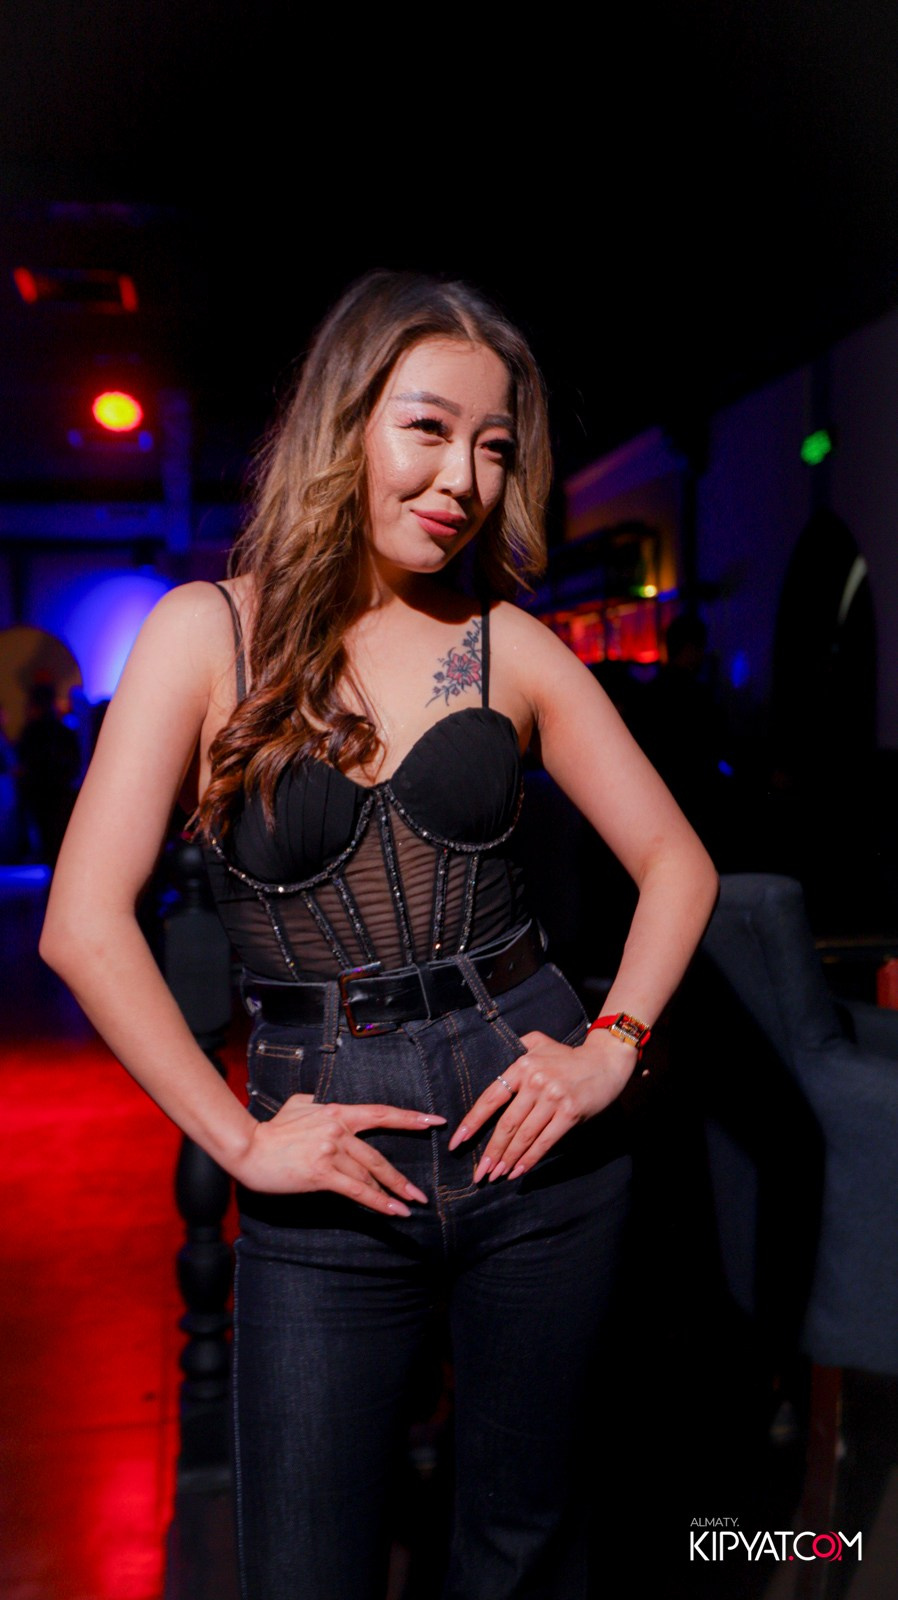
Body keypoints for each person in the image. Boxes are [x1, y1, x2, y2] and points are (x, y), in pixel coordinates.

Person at [40, 271, 718, 1600]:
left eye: (494, 445)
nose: (462, 477)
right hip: (325, 1145)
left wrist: (610, 1047)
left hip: (534, 1134)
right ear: (344, 422)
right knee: (305, 1562)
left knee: (523, 1550)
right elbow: (82, 925)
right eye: (427, 427)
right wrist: (240, 1141)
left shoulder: (510, 647)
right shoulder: (206, 633)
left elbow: (675, 860)